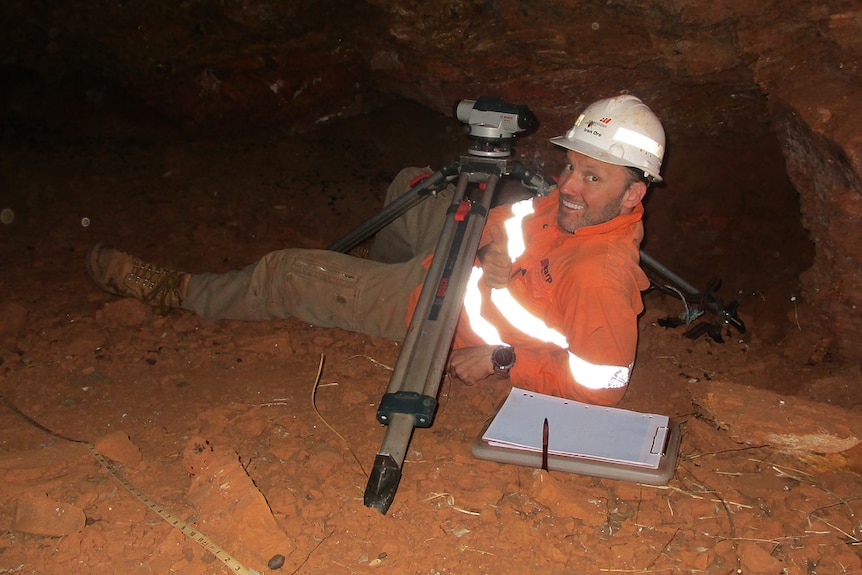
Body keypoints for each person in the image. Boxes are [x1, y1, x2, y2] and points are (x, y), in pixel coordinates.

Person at [86, 94, 665, 406]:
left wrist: (502, 360)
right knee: (413, 184)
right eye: (572, 168)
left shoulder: (598, 274)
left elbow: (602, 385)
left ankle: (179, 291)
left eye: (593, 179)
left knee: (287, 272)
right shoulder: (569, 211)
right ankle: (361, 286)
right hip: (456, 265)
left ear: (633, 191)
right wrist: (487, 251)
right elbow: (501, 220)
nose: (568, 186)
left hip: (435, 307)